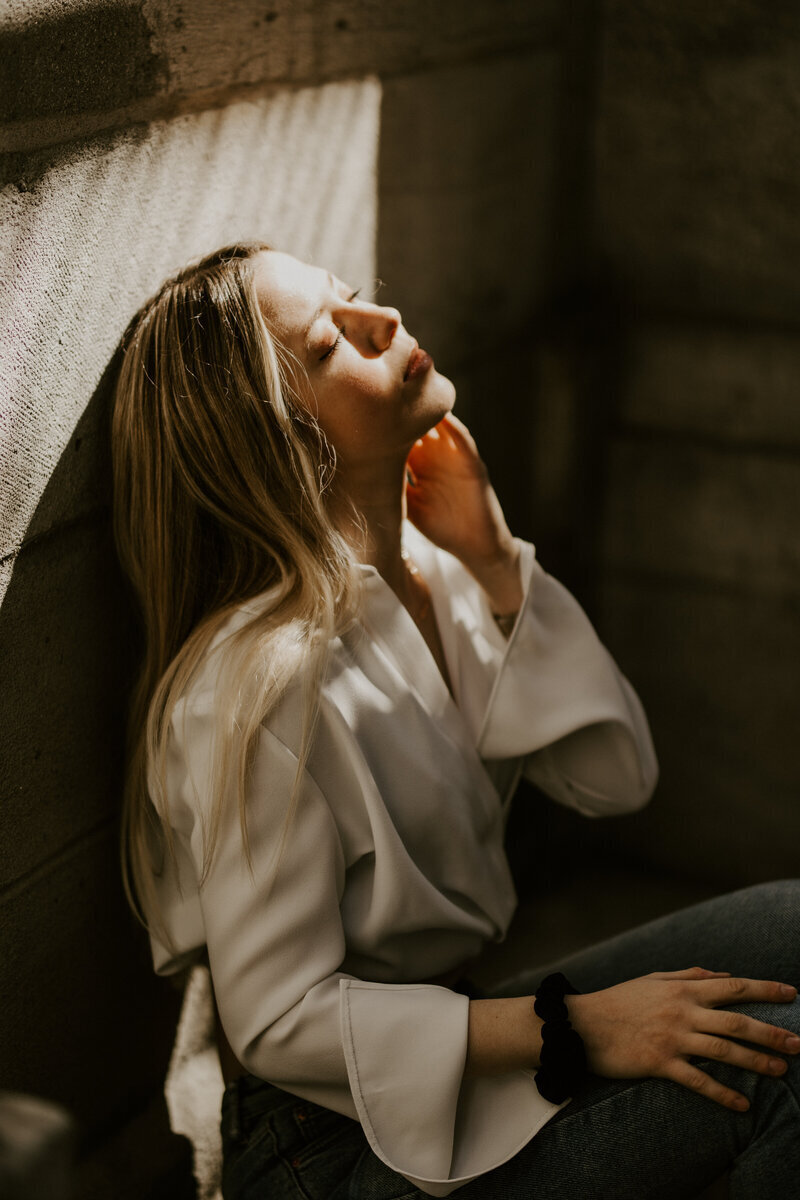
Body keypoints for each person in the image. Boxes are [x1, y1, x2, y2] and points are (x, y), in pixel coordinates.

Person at [111, 242, 800, 1200]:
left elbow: (614, 779)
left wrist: (494, 557)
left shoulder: (433, 581)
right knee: (780, 1073)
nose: (383, 321)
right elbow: (275, 1024)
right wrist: (581, 1026)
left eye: (354, 298)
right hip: (328, 1147)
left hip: (461, 1043)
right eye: (328, 341)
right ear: (281, 440)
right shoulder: (252, 687)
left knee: (791, 928)